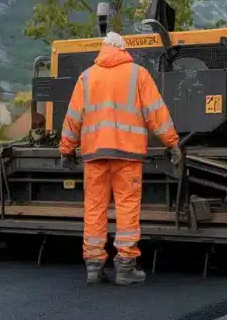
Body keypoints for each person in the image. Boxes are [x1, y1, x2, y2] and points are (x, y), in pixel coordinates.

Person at [59, 32, 183, 286]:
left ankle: (94, 267)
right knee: (126, 207)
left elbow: (73, 117)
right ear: (123, 50)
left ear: (103, 49)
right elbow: (156, 113)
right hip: (127, 154)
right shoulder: (137, 74)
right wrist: (172, 143)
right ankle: (125, 267)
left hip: (94, 155)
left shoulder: (86, 77)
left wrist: (66, 149)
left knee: (94, 209)